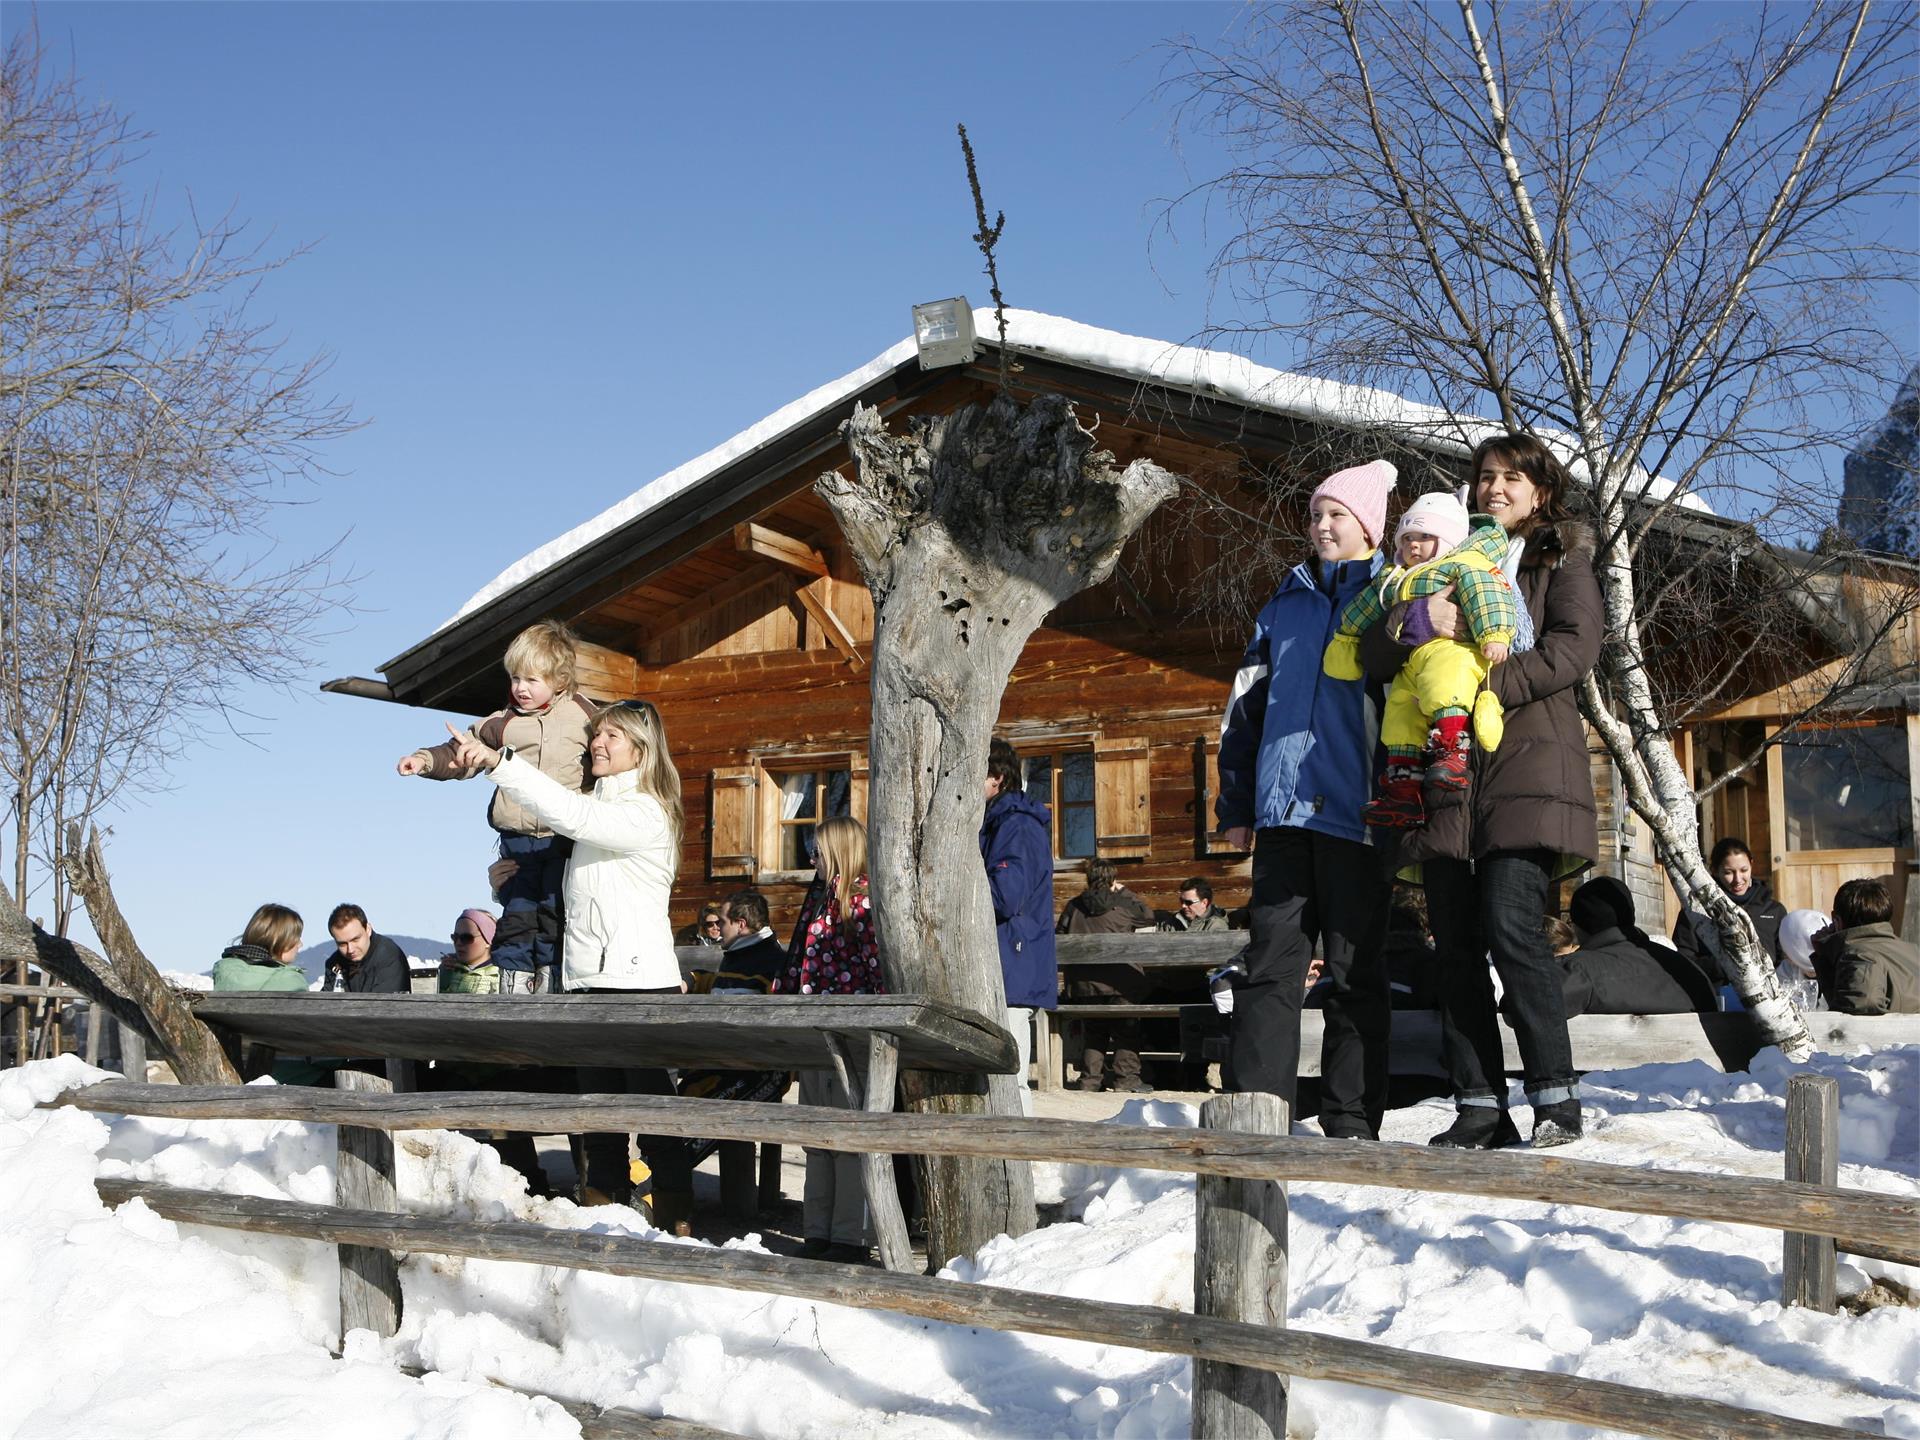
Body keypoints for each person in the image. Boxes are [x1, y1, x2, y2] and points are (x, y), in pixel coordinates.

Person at [1361, 433, 1603, 1150]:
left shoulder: (1560, 558)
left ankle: (1555, 1098)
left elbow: (1573, 647)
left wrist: (1478, 684)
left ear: (1542, 491)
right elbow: (1373, 653)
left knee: (1512, 926)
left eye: (1512, 478)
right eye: (1486, 476)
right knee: (1455, 946)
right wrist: (1418, 620)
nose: (1495, 488)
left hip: (1525, 763)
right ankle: (1478, 1105)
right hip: (1446, 775)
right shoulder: (1437, 556)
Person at [441, 698, 693, 1225]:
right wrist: (509, 883)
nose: (596, 744)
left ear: (642, 752)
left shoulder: (646, 811)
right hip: (590, 983)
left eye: (611, 738)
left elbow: (573, 814)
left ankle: (677, 1226)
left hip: (637, 983)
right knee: (597, 1117)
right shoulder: (597, 810)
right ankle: (603, 1220)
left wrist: (500, 763)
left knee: (653, 1119)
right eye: (596, 735)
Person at [1218, 458, 1398, 1141]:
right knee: (1270, 967)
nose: (1322, 526)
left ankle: (1351, 1121)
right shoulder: (1283, 603)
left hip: (1360, 815)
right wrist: (1236, 805)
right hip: (1284, 812)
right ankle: (1258, 1115)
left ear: (1368, 528)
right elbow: (1244, 709)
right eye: (1317, 514)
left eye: (1337, 516)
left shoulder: (1392, 597)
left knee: (1356, 972)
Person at [398, 619, 596, 994]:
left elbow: (604, 762)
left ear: (560, 679)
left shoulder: (584, 717)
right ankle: (514, 988)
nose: (520, 689)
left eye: (531, 680)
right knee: (518, 919)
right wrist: (424, 761)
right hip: (517, 841)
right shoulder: (503, 722)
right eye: (515, 679)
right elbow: (463, 753)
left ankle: (555, 985)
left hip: (563, 840)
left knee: (557, 915)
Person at [1323, 492, 1519, 828]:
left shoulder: (1464, 564)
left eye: (1425, 538)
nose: (1414, 546)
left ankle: (1451, 749)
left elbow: (1486, 596)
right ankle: (1403, 785)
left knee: (1445, 682)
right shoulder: (1393, 577)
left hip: (1453, 651)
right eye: (1408, 538)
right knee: (1399, 710)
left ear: (1448, 540)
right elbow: (1366, 606)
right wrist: (1346, 637)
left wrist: (1495, 634)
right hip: (1412, 662)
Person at [774, 816, 882, 1260]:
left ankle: (850, 1237)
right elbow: (798, 959)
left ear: (838, 850)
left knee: (848, 1140)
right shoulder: (817, 900)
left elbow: (877, 970)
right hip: (814, 1031)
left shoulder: (863, 901)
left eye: (817, 852)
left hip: (852, 1033)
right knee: (816, 1138)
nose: (811, 860)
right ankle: (816, 1231)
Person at [980, 738, 1057, 1117]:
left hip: (1011, 963)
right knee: (992, 1073)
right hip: (999, 962)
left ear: (997, 776)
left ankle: (1018, 1166)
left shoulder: (1017, 826)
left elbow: (1007, 896)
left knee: (1009, 1076)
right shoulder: (997, 823)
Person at [1056, 857, 1155, 1093]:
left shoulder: (1074, 906)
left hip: (1084, 986)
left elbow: (1060, 935)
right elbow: (1148, 916)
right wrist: (1125, 892)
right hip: (1121, 983)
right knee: (1126, 1031)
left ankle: (1090, 1080)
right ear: (1113, 879)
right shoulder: (1123, 904)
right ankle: (1126, 1079)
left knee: (1094, 1031)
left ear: (1089, 879)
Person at [1554, 877, 1717, 1018]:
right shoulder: (1689, 970)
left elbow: (1538, 1008)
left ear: (1579, 926)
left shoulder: (1576, 970)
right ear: (1631, 914)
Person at [1672, 838, 1787, 984]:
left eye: (1744, 870)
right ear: (1714, 870)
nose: (1738, 879)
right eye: (1729, 872)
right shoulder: (1696, 911)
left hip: (1769, 996)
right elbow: (1684, 961)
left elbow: (1786, 961)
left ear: (1751, 864)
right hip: (1717, 996)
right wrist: (1725, 965)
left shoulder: (1774, 910)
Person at [1812, 878, 1918, 1015]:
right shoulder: (1913, 951)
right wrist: (1824, 957)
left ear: (1836, 920)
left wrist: (1826, 953)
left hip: (1897, 1036)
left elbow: (1856, 1014)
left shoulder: (1859, 955)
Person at [212, 904, 310, 992]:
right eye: (297, 937)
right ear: (279, 939)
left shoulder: (224, 972)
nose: (300, 944)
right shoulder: (293, 982)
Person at [320, 905, 411, 993]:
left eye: (355, 939)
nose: (350, 949)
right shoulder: (333, 964)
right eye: (342, 944)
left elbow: (384, 1005)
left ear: (368, 929)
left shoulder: (389, 956)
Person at [437, 909, 502, 994]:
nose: (458, 943)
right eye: (455, 937)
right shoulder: (447, 970)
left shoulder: (501, 975)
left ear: (489, 941)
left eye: (466, 938)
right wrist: (442, 975)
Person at [1159, 878, 1232, 934]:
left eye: (1188, 902)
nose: (1183, 905)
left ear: (1204, 903)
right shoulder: (1172, 922)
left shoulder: (1216, 926)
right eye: (1182, 901)